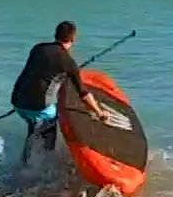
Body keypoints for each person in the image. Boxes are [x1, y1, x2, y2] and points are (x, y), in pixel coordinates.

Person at [9, 21, 112, 162]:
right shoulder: (68, 62)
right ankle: (46, 160)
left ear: (55, 34)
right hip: (38, 108)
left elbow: (41, 74)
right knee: (50, 121)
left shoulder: (38, 48)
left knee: (33, 125)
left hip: (17, 102)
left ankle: (25, 159)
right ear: (73, 39)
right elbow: (83, 94)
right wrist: (100, 113)